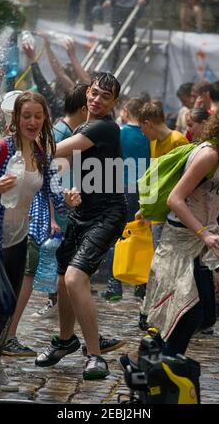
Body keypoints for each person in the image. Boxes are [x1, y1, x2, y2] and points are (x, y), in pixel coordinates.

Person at [0, 91, 81, 398]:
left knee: (8, 311)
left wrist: (68, 200)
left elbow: (55, 200)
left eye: (38, 116)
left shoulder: (42, 156)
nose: (33, 122)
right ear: (16, 118)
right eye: (27, 116)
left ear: (45, 120)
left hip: (16, 240)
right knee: (5, 303)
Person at [119, 94, 219, 369]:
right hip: (180, 241)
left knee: (206, 316)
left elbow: (210, 202)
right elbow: (175, 199)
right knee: (190, 315)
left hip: (199, 245)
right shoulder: (210, 154)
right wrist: (205, 234)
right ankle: (161, 368)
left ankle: (147, 356)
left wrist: (210, 247)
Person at [35, 72, 128, 379]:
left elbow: (54, 152)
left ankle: (96, 356)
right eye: (94, 93)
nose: (97, 99)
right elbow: (70, 166)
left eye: (105, 96)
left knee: (75, 279)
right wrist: (71, 191)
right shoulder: (85, 128)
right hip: (82, 213)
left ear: (114, 102)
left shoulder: (103, 127)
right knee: (61, 281)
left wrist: (25, 134)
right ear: (87, 92)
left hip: (108, 215)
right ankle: (65, 341)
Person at [31, 84, 89, 320]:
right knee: (56, 256)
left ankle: (58, 303)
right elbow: (47, 179)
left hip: (64, 206)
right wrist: (53, 216)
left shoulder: (66, 132)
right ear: (84, 109)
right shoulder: (62, 134)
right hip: (57, 209)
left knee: (61, 256)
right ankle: (54, 303)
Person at [136, 99, 188, 330]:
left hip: (173, 214)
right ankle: (154, 311)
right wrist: (145, 208)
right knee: (158, 264)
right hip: (158, 215)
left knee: (167, 266)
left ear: (147, 123)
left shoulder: (177, 141)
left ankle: (162, 313)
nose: (142, 133)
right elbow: (155, 176)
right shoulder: (155, 142)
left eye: (141, 128)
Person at [101, 97, 150, 301]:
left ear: (127, 112)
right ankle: (142, 283)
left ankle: (114, 285)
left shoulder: (120, 133)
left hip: (121, 188)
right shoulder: (150, 135)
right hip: (145, 190)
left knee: (118, 234)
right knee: (142, 234)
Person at [103, 0, 158, 69]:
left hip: (132, 7)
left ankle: (131, 52)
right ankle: (114, 61)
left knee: (130, 30)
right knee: (117, 33)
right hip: (119, 6)